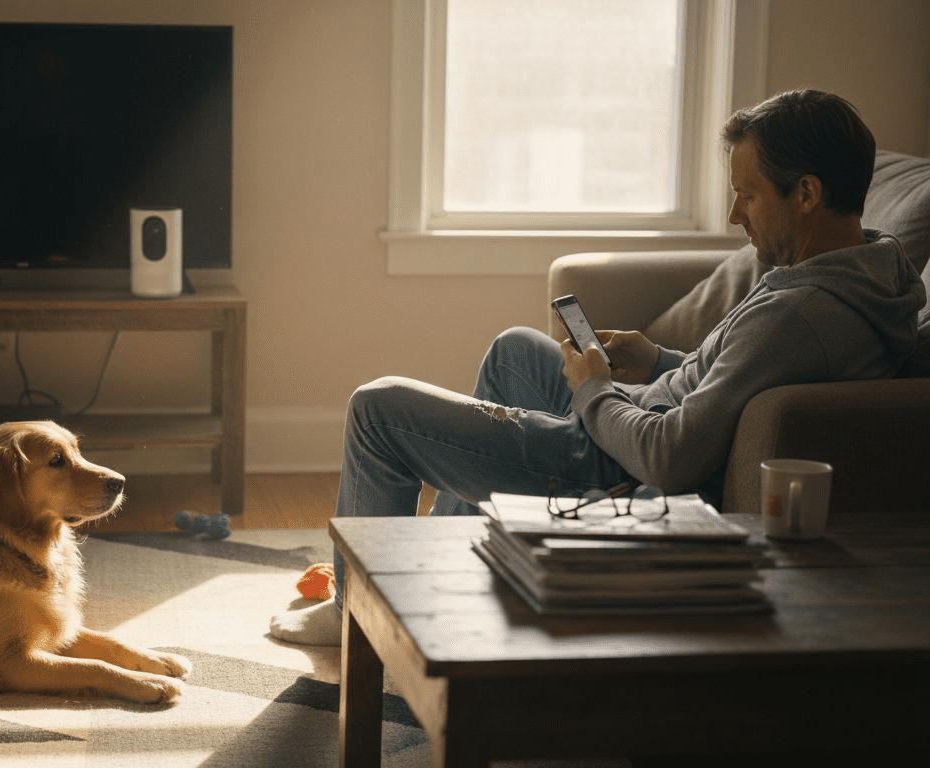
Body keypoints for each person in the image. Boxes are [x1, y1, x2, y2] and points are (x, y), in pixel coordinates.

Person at [271, 89, 927, 646]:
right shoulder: (867, 269)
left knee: (377, 408)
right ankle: (437, 585)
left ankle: (354, 617)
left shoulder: (800, 313)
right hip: (633, 420)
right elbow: (736, 378)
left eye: (747, 196)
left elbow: (671, 458)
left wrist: (593, 392)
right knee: (514, 349)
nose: (735, 215)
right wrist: (657, 359)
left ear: (806, 193)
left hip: (618, 470)